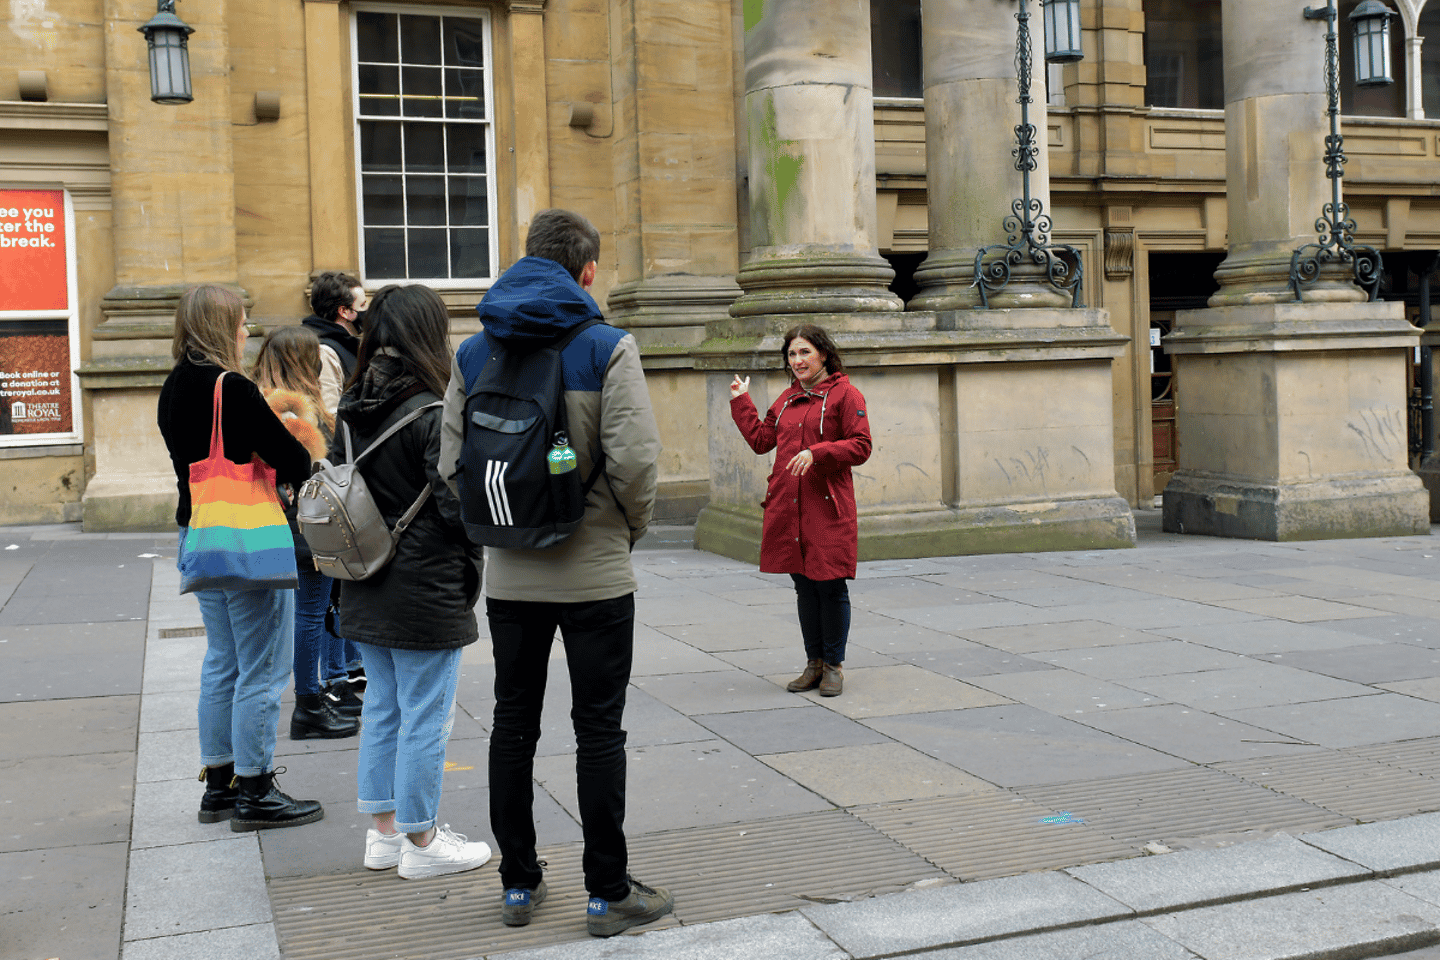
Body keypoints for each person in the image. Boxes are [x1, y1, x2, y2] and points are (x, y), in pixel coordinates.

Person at [440, 208, 671, 937]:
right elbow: (635, 462)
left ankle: (518, 884)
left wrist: (497, 533)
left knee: (513, 724)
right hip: (597, 572)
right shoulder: (607, 347)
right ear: (589, 271)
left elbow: (451, 466)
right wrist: (625, 529)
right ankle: (606, 894)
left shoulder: (475, 353)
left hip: (511, 576)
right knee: (598, 731)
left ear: (528, 259)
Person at [335, 283, 491, 880]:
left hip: (364, 574)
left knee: (383, 708)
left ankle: (382, 834)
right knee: (426, 714)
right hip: (424, 583)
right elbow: (456, 508)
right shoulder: (432, 409)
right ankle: (422, 841)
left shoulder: (354, 405)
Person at [156, 284, 325, 830]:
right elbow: (292, 457)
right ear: (219, 328)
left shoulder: (173, 385)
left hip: (200, 535)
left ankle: (219, 786)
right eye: (241, 321)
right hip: (245, 538)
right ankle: (255, 789)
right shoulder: (231, 387)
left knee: (222, 661)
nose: (247, 330)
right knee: (263, 667)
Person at [728, 323, 872, 698]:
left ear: (823, 354)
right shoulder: (787, 399)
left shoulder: (846, 395)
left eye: (805, 352)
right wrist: (741, 401)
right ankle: (813, 664)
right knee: (804, 587)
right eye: (792, 354)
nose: (798, 361)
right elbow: (762, 441)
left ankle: (834, 666)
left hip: (827, 507)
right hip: (788, 506)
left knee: (830, 584)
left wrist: (818, 452)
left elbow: (861, 445)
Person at [251, 325, 359, 741]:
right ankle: (309, 704)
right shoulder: (290, 410)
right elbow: (308, 468)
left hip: (294, 522)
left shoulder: (270, 403)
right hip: (305, 524)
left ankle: (323, 691)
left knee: (315, 609)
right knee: (311, 612)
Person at [301, 270, 368, 702]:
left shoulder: (344, 345)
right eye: (362, 305)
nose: (367, 312)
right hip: (338, 476)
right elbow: (330, 412)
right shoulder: (328, 350)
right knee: (330, 588)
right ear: (344, 311)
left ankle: (346, 665)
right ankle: (334, 674)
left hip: (347, 469)